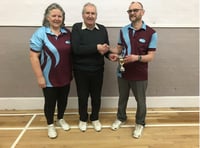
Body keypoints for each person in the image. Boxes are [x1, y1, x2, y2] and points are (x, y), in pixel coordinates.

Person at [109, 1, 158, 138]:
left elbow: (151, 56)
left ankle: (140, 123)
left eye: (135, 10)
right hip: (122, 71)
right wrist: (112, 52)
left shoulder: (151, 33)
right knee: (122, 98)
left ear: (142, 12)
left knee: (141, 101)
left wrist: (137, 58)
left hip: (140, 75)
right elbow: (119, 49)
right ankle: (121, 118)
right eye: (130, 11)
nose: (132, 13)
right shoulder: (123, 30)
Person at [29, 3, 72, 139]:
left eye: (59, 16)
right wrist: (40, 77)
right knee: (50, 102)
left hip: (65, 76)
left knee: (63, 100)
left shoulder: (67, 33)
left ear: (63, 18)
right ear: (47, 17)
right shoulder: (40, 33)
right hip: (48, 78)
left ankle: (60, 119)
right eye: (54, 15)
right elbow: (33, 56)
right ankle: (50, 125)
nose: (57, 18)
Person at [71, 2, 110, 132]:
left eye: (93, 13)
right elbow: (76, 49)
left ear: (96, 15)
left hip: (98, 70)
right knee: (82, 96)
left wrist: (110, 56)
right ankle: (83, 119)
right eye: (87, 13)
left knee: (96, 96)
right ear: (83, 15)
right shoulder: (76, 28)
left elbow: (105, 50)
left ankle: (94, 118)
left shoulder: (102, 29)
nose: (90, 16)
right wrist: (96, 47)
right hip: (80, 70)